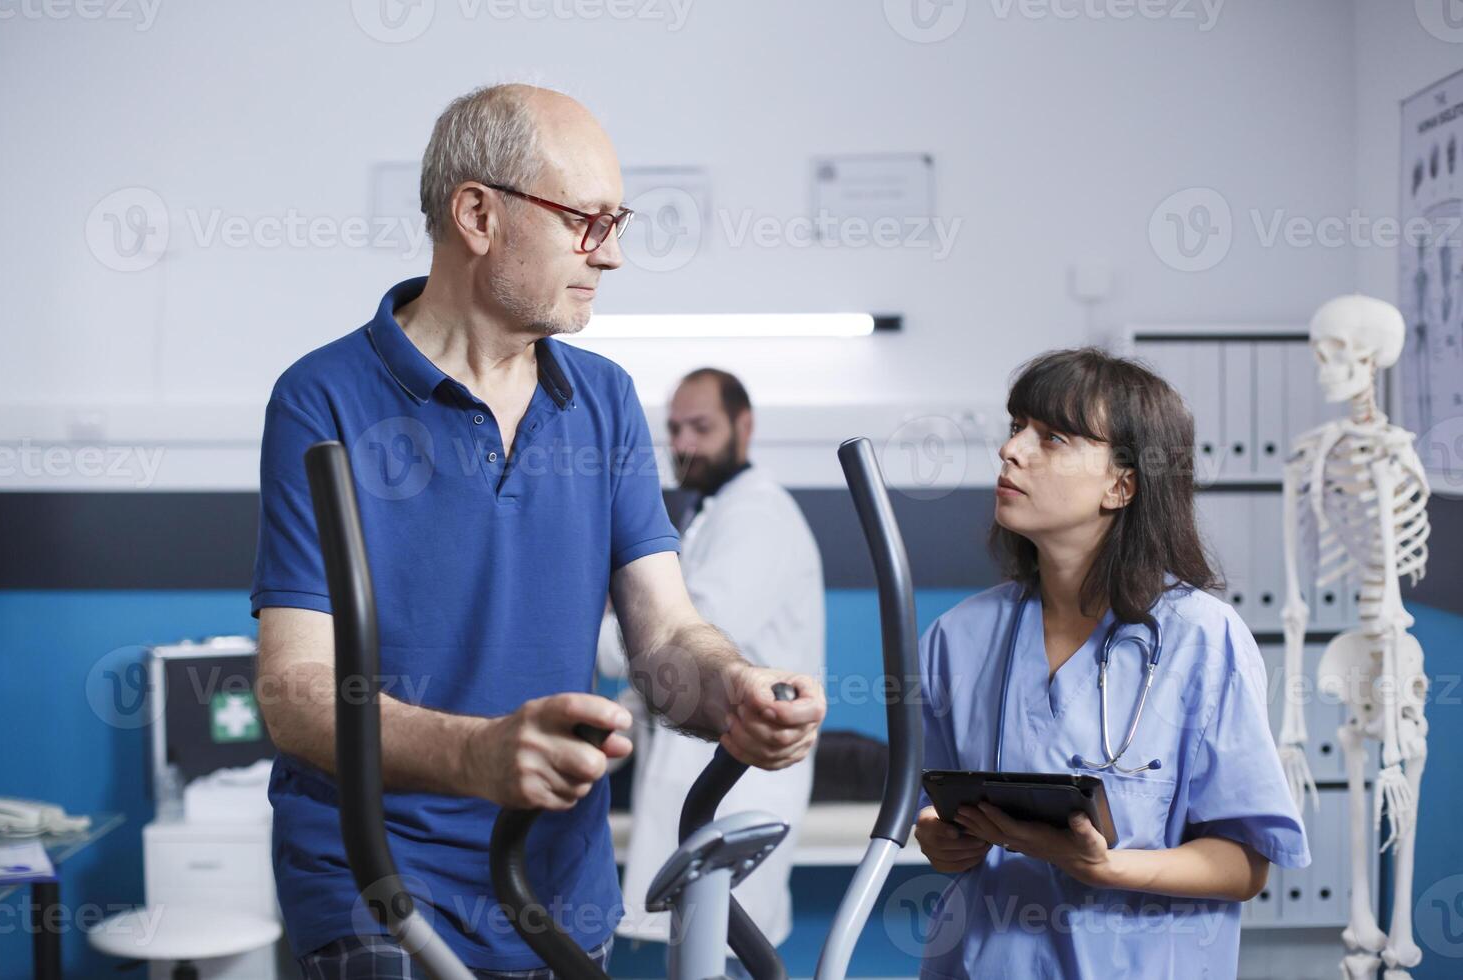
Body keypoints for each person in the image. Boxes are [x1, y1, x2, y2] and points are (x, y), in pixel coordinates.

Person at [249, 83, 826, 979]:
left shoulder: (603, 402)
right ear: (477, 213)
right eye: (587, 221)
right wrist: (474, 754)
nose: (615, 253)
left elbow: (666, 638)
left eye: (617, 221)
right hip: (376, 877)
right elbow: (293, 695)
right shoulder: (322, 398)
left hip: (554, 886)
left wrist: (733, 693)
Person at [912, 348, 1309, 979]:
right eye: (1016, 428)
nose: (1011, 451)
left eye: (1053, 437)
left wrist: (1100, 867)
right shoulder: (955, 640)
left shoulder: (1203, 639)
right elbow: (936, 815)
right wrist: (940, 838)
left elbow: (1244, 866)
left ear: (1121, 485)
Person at [598, 368, 824, 977]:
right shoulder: (711, 513)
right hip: (701, 772)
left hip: (736, 781)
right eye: (674, 429)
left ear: (743, 427)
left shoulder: (758, 516)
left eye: (702, 427)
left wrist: (613, 620)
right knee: (701, 952)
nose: (685, 444)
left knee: (721, 952)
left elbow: (675, 644)